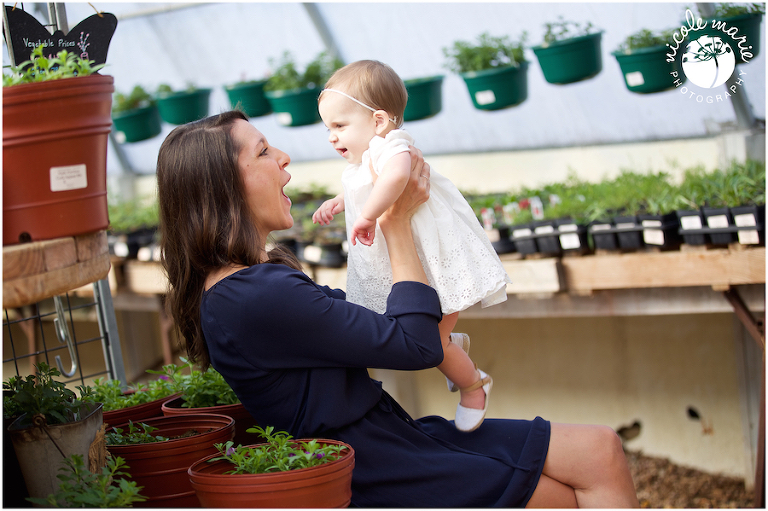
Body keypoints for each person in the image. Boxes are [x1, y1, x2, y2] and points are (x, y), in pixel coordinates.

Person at [156, 110, 639, 508]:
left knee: (602, 449)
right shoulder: (252, 295)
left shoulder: (249, 284)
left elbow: (374, 325)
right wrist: (397, 222)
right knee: (558, 498)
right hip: (372, 468)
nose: (284, 158)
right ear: (220, 188)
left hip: (389, 436)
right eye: (263, 151)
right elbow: (414, 343)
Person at [312, 60, 512, 431]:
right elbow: (363, 185)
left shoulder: (393, 148)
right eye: (328, 128)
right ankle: (452, 348)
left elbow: (397, 177)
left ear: (379, 122)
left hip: (434, 264)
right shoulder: (363, 160)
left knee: (430, 345)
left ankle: (473, 386)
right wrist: (339, 203)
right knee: (415, 334)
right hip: (406, 267)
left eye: (339, 126)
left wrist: (368, 215)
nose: (331, 136)